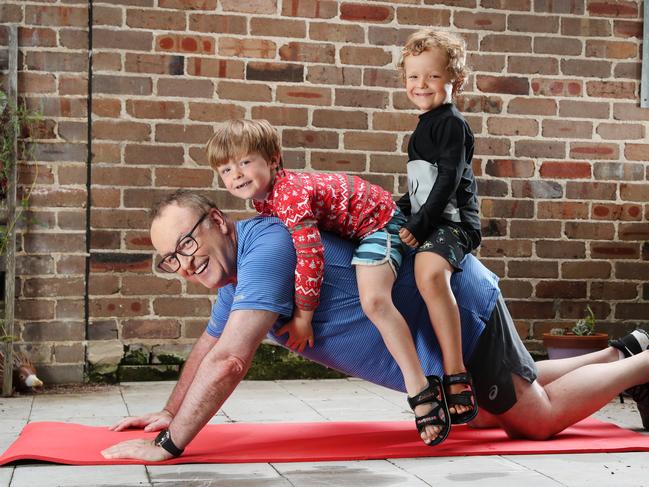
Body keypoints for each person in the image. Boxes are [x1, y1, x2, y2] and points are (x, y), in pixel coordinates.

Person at [101, 191, 649, 462]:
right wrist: (171, 409)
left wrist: (170, 445)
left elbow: (230, 361)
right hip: (437, 323)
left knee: (534, 423)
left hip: (455, 307)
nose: (185, 262)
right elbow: (211, 342)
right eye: (171, 258)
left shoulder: (264, 246)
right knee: (490, 409)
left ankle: (642, 366)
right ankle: (623, 354)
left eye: (188, 242)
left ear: (218, 221)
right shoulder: (237, 280)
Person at [206, 118, 449, 445]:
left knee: (374, 301)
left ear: (274, 159)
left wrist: (303, 317)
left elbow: (310, 255)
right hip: (356, 228)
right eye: (225, 170)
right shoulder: (264, 201)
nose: (235, 174)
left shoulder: (288, 194)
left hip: (379, 223)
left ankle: (420, 387)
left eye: (245, 162)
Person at [397, 29, 482, 427]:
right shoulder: (424, 125)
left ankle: (455, 372)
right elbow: (422, 185)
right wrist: (397, 207)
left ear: (455, 81)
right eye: (413, 77)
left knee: (429, 272)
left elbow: (447, 181)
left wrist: (420, 222)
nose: (421, 85)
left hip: (453, 222)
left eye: (432, 76)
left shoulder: (451, 124)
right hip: (430, 216)